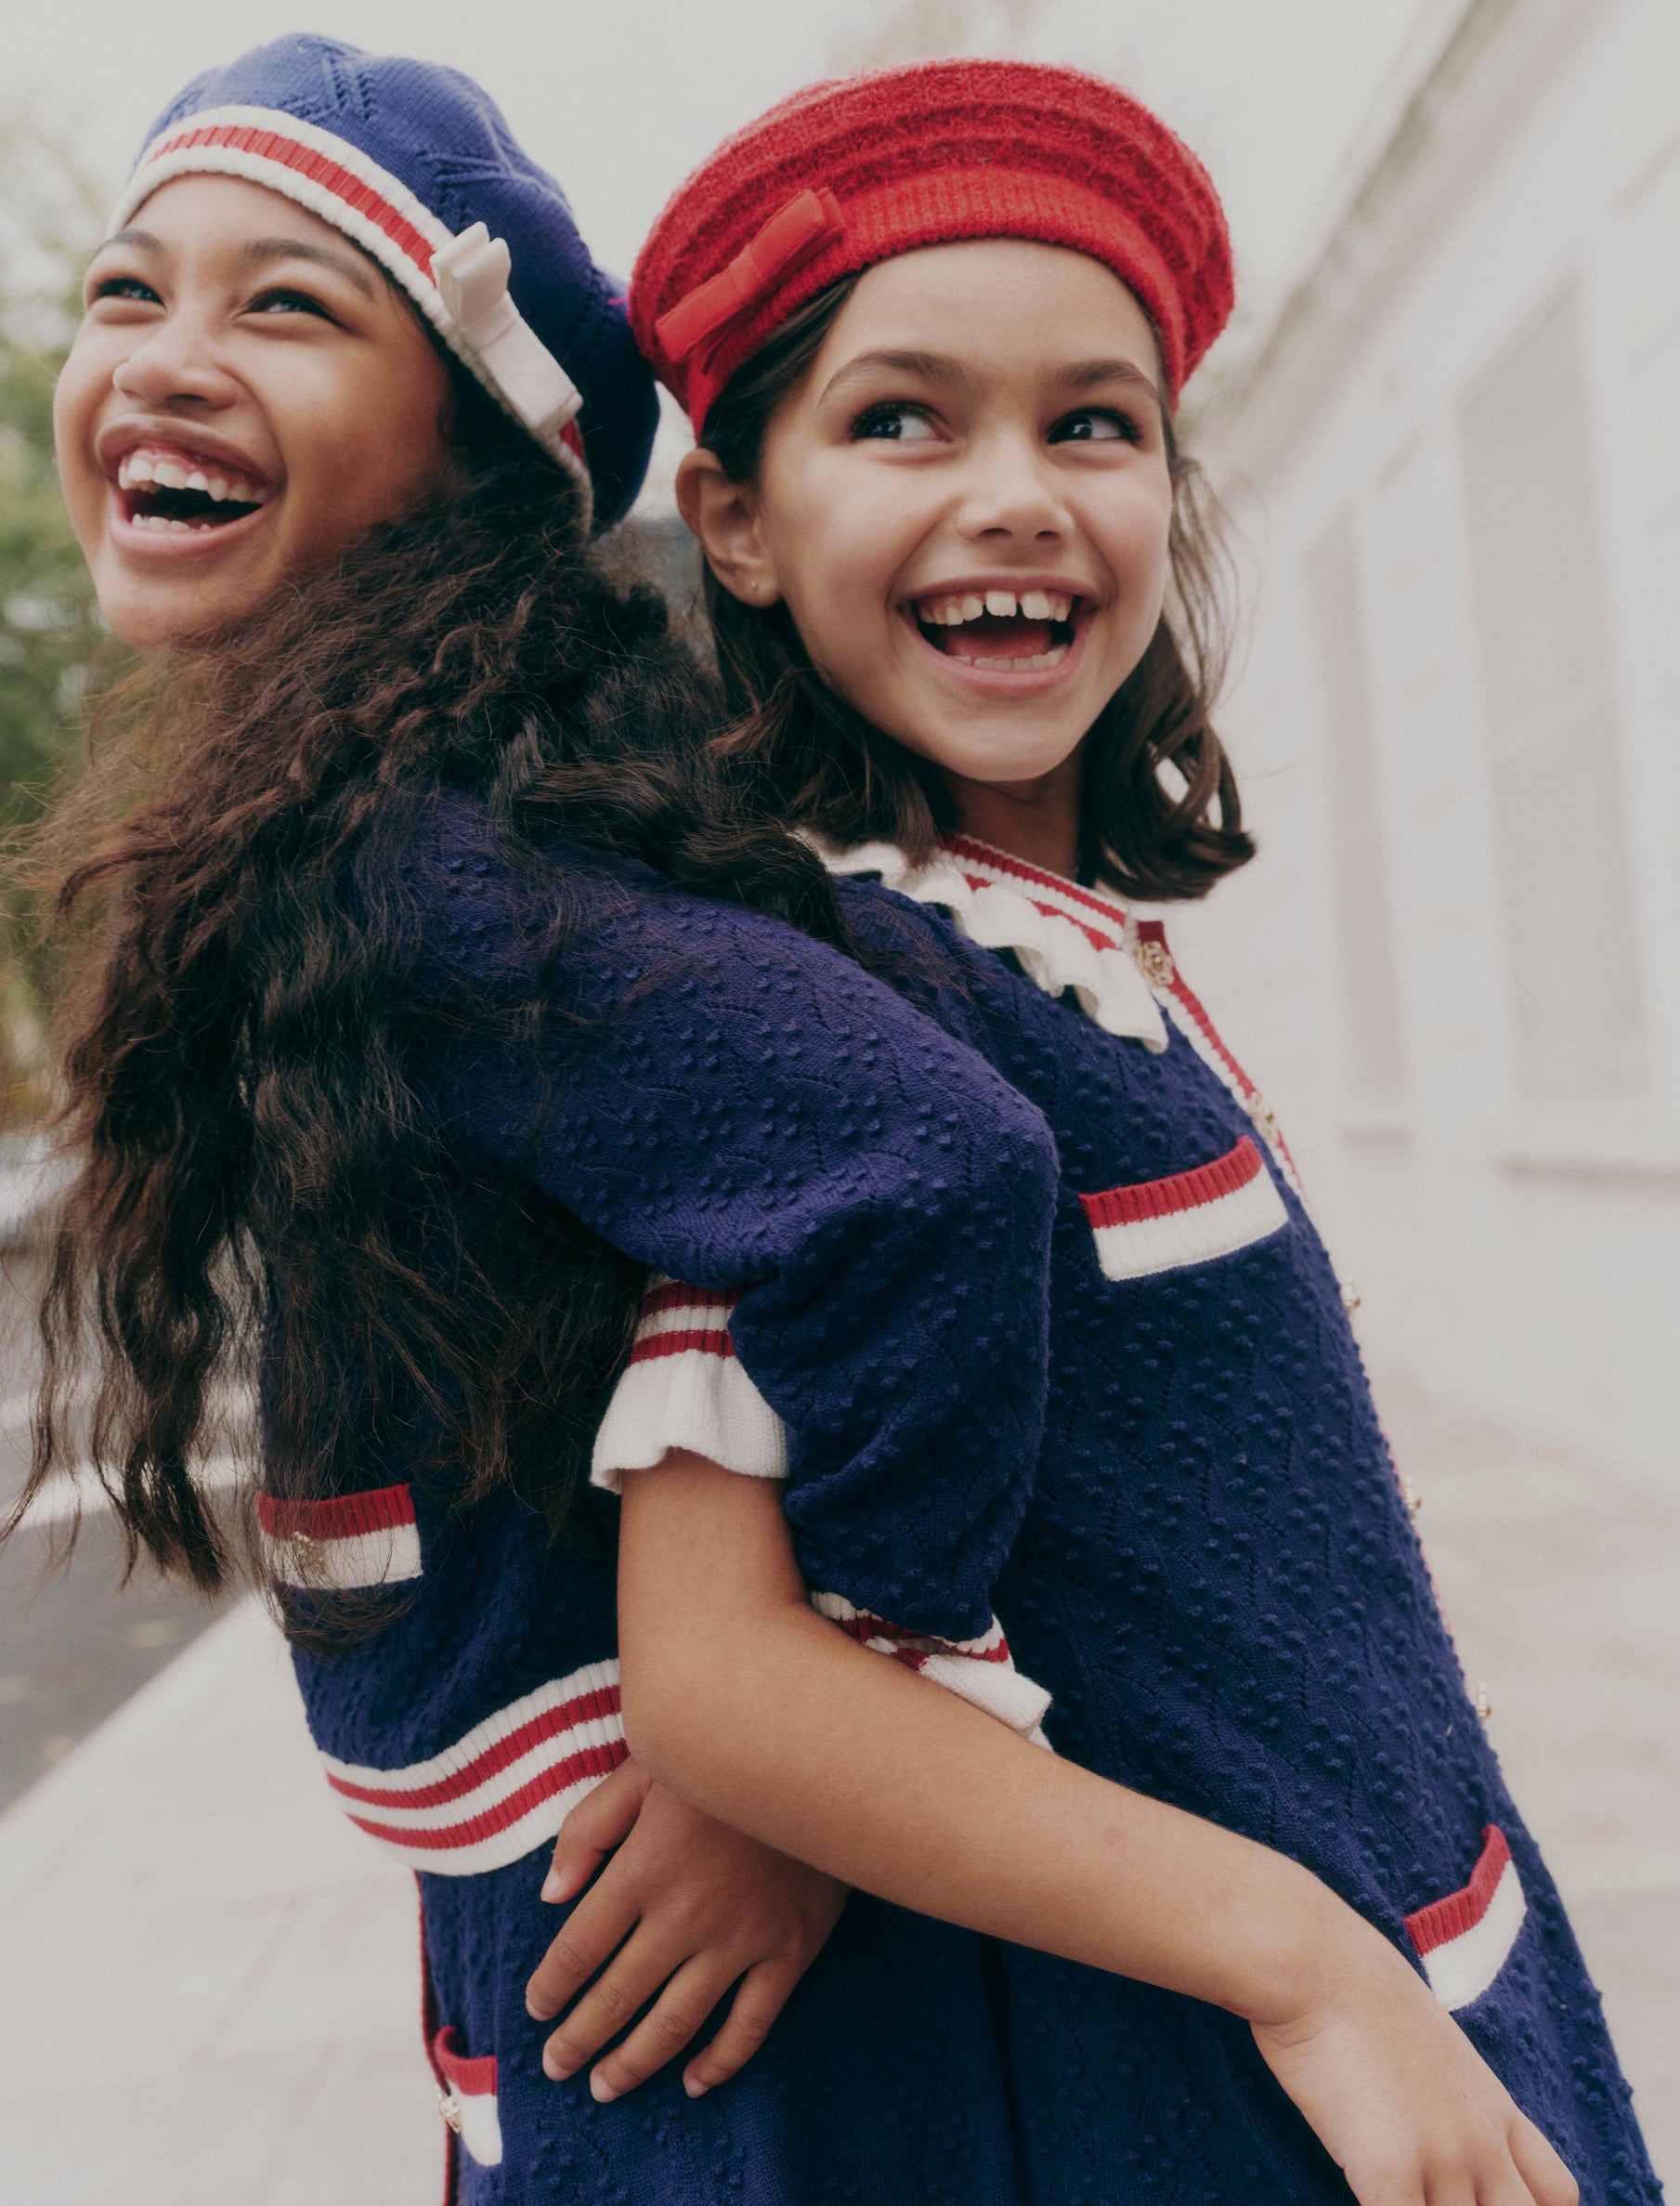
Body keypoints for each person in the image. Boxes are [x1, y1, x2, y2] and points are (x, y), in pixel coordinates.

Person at [521, 59, 1661, 2204]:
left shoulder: (1041, 944)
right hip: (1220, 2073)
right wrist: (1305, 1971)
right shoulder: (826, 1003)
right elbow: (719, 1676)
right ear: (735, 520)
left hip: (1418, 1963)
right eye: (901, 418)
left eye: (1090, 424)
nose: (1017, 495)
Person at [14, 33, 1074, 2199]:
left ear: (484, 457)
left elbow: (924, 1173)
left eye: (286, 304)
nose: (168, 355)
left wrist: (813, 1743)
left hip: (660, 1962)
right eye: (131, 290)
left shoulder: (436, 870)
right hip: (557, 1901)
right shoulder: (343, 820)